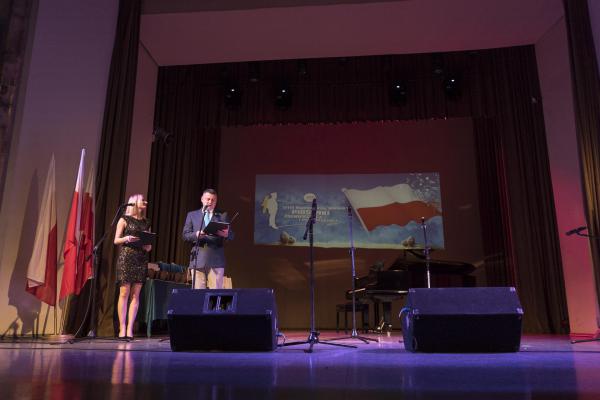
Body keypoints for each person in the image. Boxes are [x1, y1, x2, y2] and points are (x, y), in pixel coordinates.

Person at [114, 194, 151, 339]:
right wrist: (126, 238)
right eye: (143, 200)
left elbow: (148, 242)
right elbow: (116, 240)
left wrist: (148, 247)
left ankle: (130, 328)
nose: (145, 202)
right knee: (124, 293)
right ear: (134, 203)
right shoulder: (124, 219)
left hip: (141, 259)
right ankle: (122, 328)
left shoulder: (146, 222)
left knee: (135, 295)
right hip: (126, 257)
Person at [183, 188, 233, 289]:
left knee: (215, 296)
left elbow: (231, 235)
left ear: (216, 201)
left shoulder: (222, 216)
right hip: (198, 259)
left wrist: (226, 234)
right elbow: (185, 235)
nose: (210, 202)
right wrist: (196, 235)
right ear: (202, 199)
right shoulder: (192, 215)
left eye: (213, 200)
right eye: (208, 199)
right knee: (198, 296)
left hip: (216, 260)